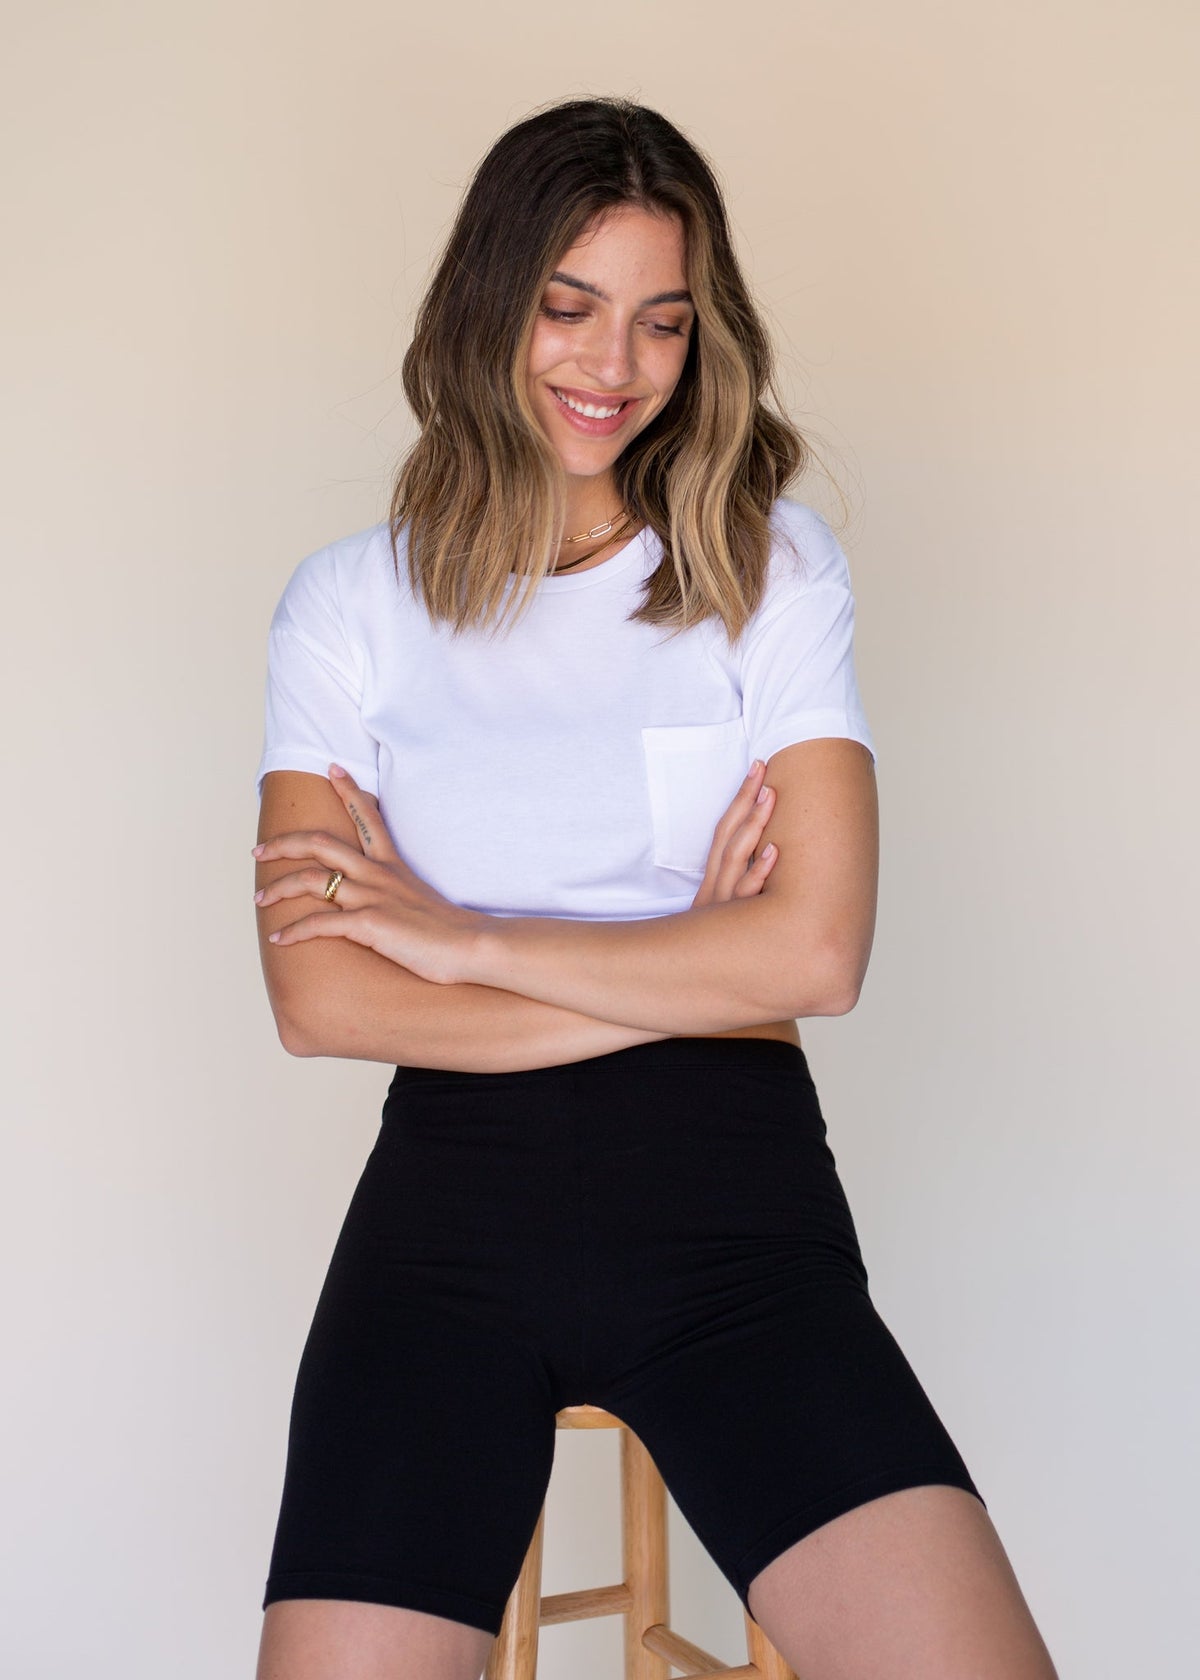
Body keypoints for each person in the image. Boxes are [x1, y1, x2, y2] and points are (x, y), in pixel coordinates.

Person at [250, 97, 1058, 1680]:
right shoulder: (349, 608)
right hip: (444, 1231)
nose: (610, 366)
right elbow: (321, 997)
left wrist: (465, 939)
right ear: (488, 302)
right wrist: (690, 958)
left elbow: (817, 955)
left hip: (734, 1222)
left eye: (661, 323)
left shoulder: (770, 567)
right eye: (567, 307)